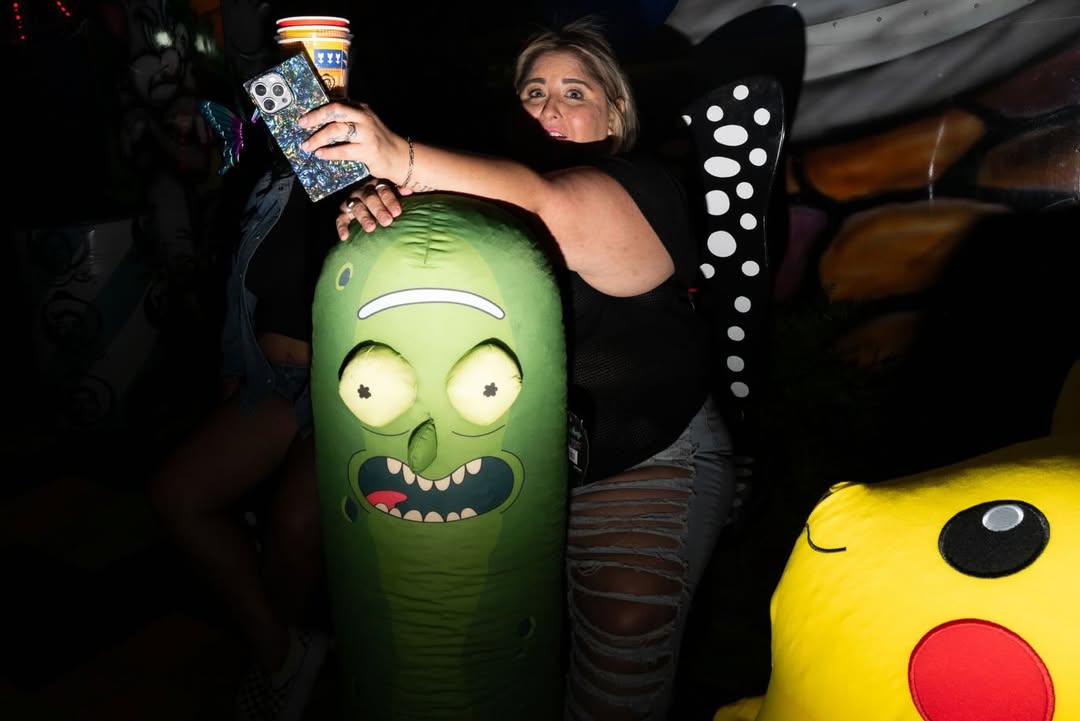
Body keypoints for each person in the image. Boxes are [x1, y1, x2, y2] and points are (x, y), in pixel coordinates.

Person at [299, 18, 736, 721]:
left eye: (574, 91)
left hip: (644, 462)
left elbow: (552, 206)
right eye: (533, 92)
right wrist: (374, 205)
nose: (549, 108)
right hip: (515, 474)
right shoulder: (482, 202)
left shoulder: (644, 183)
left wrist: (400, 158)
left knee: (621, 635)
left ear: (615, 110)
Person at [148, 3, 345, 720]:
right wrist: (236, 360)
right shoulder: (270, 173)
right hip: (272, 380)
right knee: (179, 496)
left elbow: (271, 70)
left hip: (341, 389)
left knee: (294, 532)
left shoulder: (365, 158)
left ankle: (285, 669)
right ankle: (284, 654)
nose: (305, 86)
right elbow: (242, 278)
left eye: (325, 64)